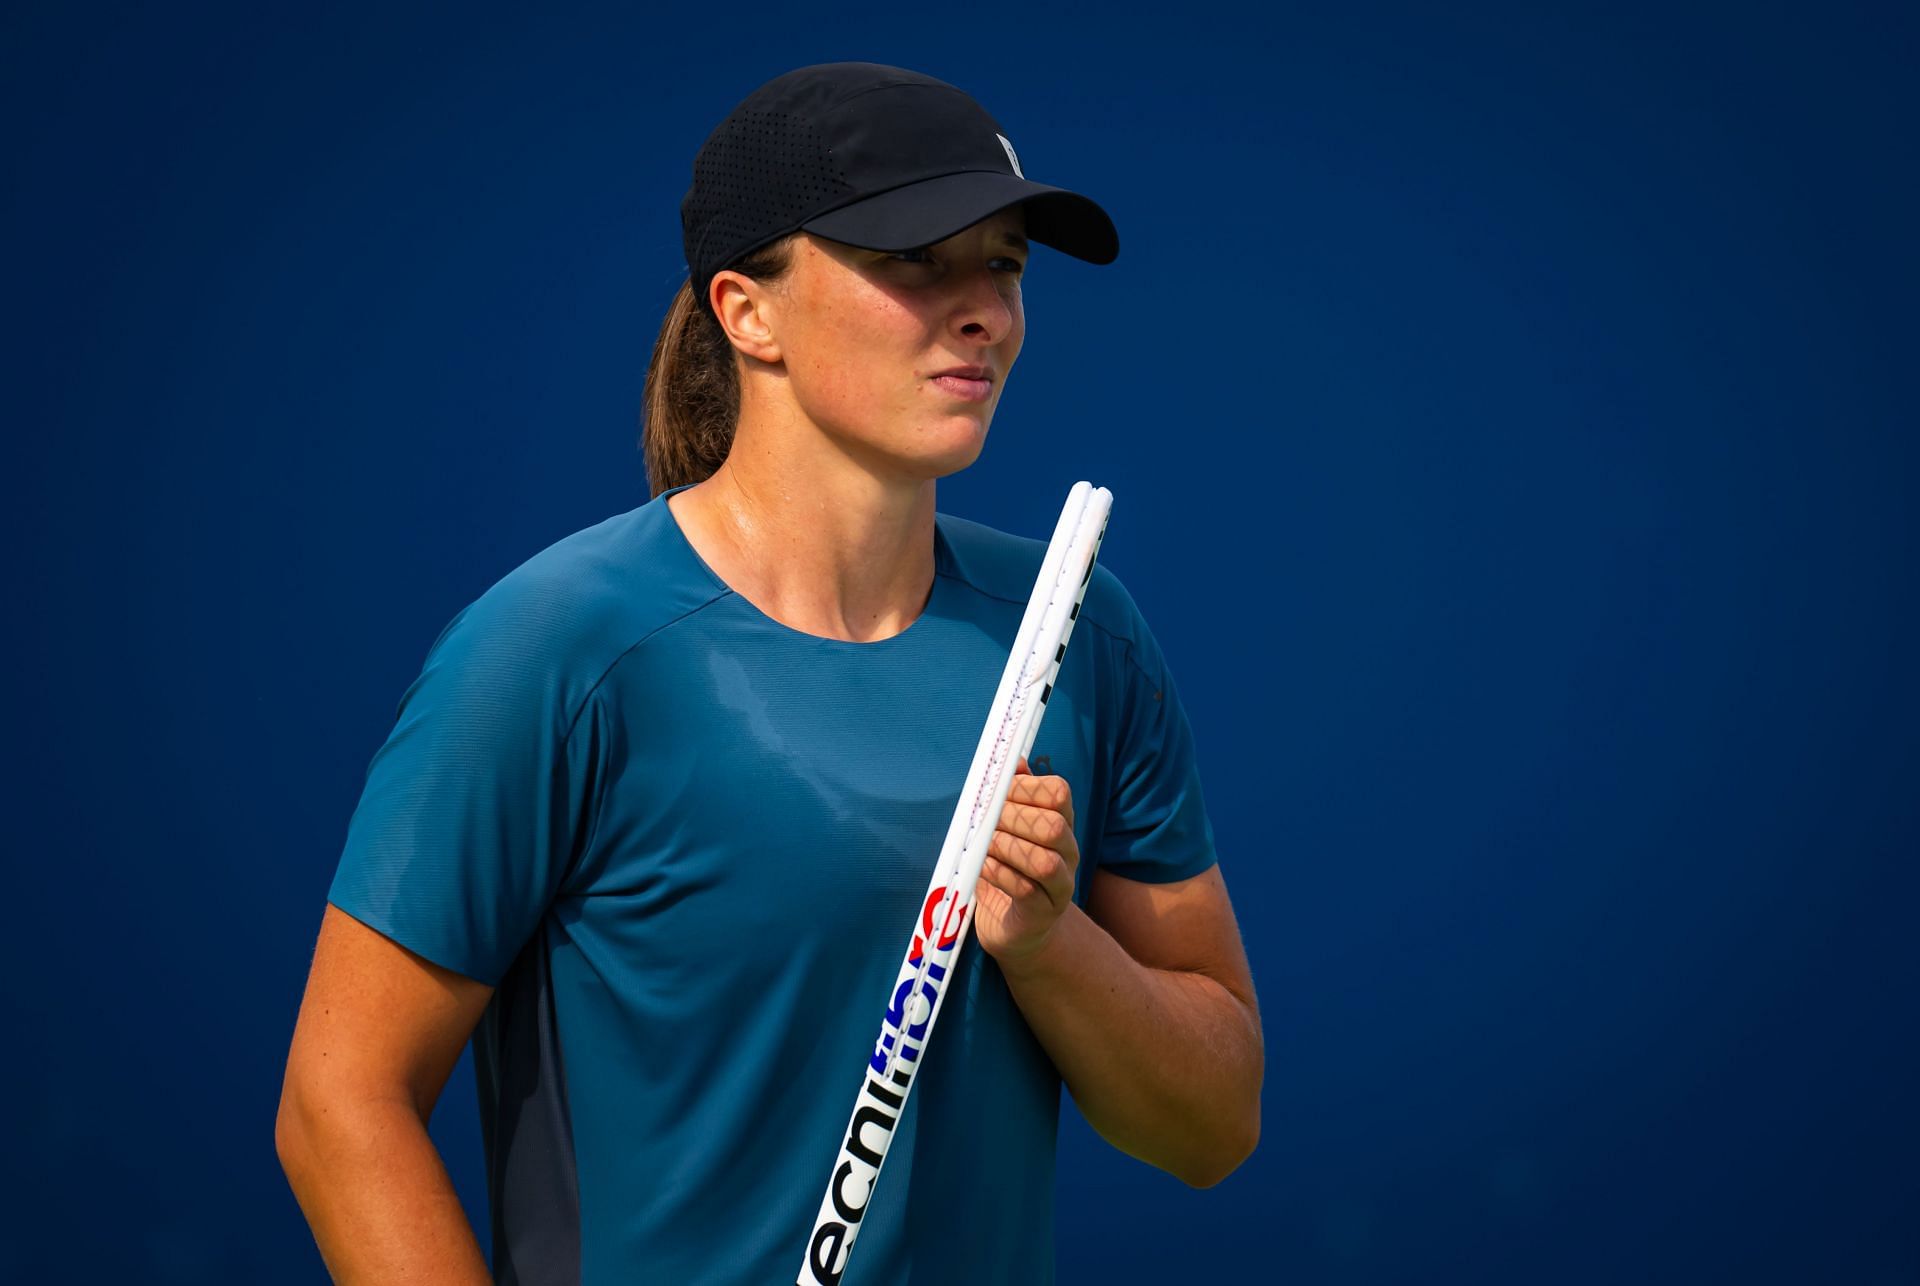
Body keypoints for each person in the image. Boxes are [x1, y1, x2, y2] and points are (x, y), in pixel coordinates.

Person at [275, 62, 1262, 1285]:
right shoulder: (558, 649)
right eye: (917, 260)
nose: (984, 311)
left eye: (1004, 264)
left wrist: (1054, 946)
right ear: (747, 310)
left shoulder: (1083, 633)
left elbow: (1215, 1124)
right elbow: (338, 1104)